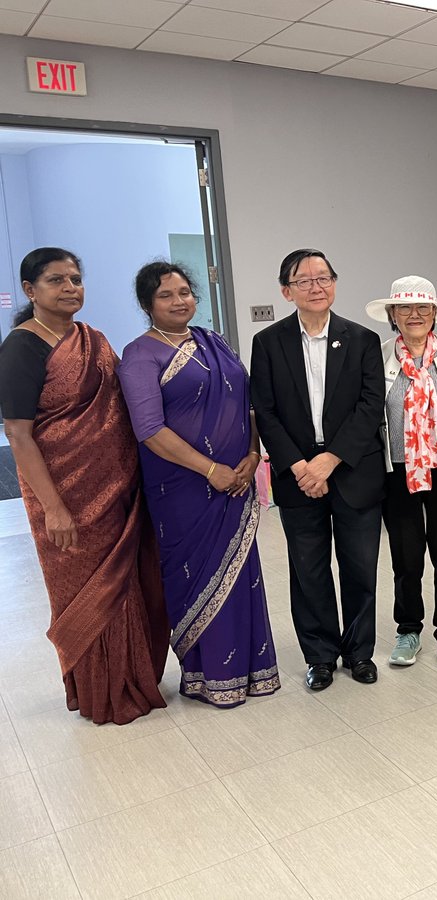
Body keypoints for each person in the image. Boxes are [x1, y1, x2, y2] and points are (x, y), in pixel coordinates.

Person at [0, 247, 169, 724]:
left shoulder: (92, 339)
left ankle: (135, 679)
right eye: (56, 280)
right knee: (89, 592)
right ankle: (103, 693)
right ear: (31, 290)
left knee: (128, 584)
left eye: (75, 279)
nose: (70, 288)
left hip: (118, 488)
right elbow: (18, 434)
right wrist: (53, 507)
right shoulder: (21, 347)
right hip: (65, 496)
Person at [117, 261, 280, 707]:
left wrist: (252, 456)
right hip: (182, 490)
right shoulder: (140, 355)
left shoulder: (215, 341)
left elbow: (247, 405)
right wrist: (211, 470)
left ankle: (253, 671)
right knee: (197, 575)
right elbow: (149, 429)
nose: (179, 301)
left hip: (236, 480)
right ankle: (209, 677)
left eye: (185, 292)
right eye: (166, 295)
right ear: (147, 304)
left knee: (240, 573)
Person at [249, 249, 386, 692]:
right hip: (298, 474)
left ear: (334, 283)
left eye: (324, 278)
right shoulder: (268, 343)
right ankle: (320, 656)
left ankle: (359, 652)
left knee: (360, 567)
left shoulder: (362, 339)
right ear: (286, 291)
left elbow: (370, 406)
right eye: (304, 280)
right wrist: (299, 465)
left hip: (352, 469)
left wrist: (331, 459)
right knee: (308, 570)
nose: (316, 287)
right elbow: (265, 411)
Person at [365, 276, 437, 669]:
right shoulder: (377, 356)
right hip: (398, 469)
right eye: (404, 308)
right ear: (392, 315)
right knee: (406, 556)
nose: (414, 315)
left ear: (434, 313)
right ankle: (408, 630)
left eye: (423, 307)